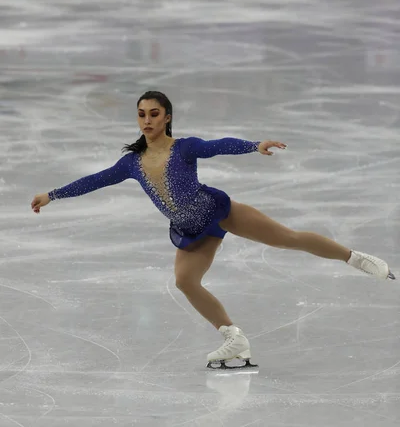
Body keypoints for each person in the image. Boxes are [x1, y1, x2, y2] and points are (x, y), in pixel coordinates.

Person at [31, 91, 395, 369]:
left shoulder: (184, 147)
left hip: (219, 212)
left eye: (154, 114)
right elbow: (96, 180)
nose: (147, 120)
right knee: (185, 281)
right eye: (141, 114)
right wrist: (52, 195)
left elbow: (217, 145)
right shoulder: (132, 163)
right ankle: (233, 338)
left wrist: (255, 145)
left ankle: (356, 258)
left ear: (167, 117)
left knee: (289, 239)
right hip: (190, 231)